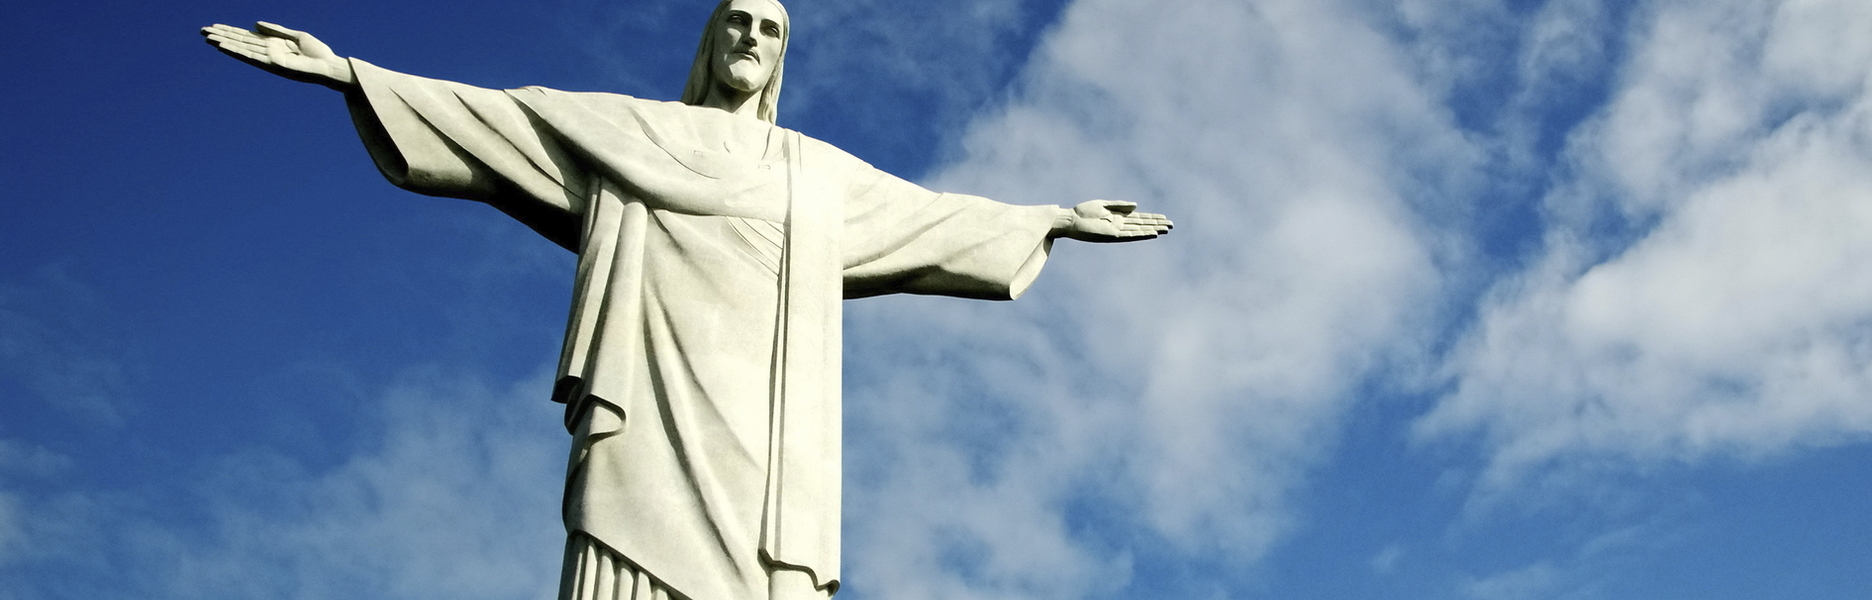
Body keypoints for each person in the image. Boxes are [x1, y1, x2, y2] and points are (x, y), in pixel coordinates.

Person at [200, 2, 1171, 599]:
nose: (750, 37)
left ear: (781, 56)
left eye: (770, 28)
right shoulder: (627, 132)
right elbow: (500, 119)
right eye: (735, 22)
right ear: (711, 44)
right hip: (647, 406)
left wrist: (1052, 217)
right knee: (627, 539)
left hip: (767, 424)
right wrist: (349, 72)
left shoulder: (809, 173)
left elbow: (930, 218)